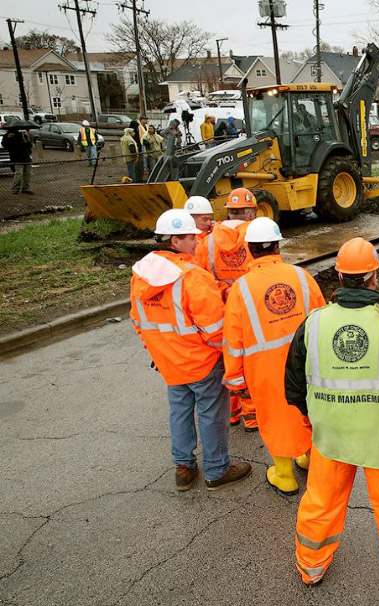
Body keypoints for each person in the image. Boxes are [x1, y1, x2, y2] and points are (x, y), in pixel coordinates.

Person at [284, 237, 379, 588]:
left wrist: (308, 415)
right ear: (374, 278)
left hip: (331, 433)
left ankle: (311, 564)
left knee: (322, 499)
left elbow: (294, 380)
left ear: (339, 276)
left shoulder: (314, 323)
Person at [129, 208, 252, 490]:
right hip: (203, 363)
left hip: (169, 363)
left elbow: (139, 320)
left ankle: (184, 468)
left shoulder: (141, 273)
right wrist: (229, 357)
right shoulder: (193, 277)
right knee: (211, 414)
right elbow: (215, 330)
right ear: (175, 242)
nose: (197, 241)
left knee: (180, 412)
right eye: (191, 238)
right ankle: (217, 470)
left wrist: (158, 352)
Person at [223, 217, 326, 496]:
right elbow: (323, 317)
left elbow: (233, 339)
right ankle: (309, 459)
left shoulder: (240, 289)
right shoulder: (301, 277)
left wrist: (233, 378)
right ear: (278, 246)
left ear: (250, 249)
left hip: (264, 369)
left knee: (276, 418)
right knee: (307, 411)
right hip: (305, 363)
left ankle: (284, 475)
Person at [195, 187, 258, 430]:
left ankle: (231, 413)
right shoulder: (256, 236)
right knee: (249, 359)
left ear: (230, 213)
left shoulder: (208, 242)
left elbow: (200, 279)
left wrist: (222, 290)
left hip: (220, 310)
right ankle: (251, 416)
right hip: (249, 309)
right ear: (251, 212)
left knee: (227, 359)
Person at [2, 127, 33, 194]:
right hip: (17, 158)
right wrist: (8, 138)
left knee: (27, 174)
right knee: (19, 174)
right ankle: (15, 189)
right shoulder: (7, 135)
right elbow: (5, 145)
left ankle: (25, 188)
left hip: (26, 157)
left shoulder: (22, 135)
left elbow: (30, 145)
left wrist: (26, 141)